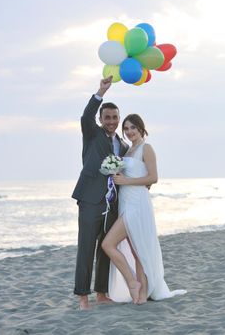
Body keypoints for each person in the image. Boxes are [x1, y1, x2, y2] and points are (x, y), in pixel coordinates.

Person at [101, 114, 186, 304]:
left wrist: (126, 180)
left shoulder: (146, 149)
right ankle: (141, 294)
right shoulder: (128, 151)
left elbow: (153, 178)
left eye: (133, 128)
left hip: (137, 204)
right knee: (135, 249)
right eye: (127, 129)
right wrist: (117, 173)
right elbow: (134, 175)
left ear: (141, 128)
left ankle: (135, 285)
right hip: (125, 202)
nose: (130, 132)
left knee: (108, 244)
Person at [71, 76, 129, 310]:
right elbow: (86, 116)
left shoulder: (123, 145)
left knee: (106, 248)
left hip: (112, 204)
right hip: (90, 200)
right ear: (101, 119)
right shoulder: (92, 134)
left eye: (115, 117)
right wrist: (100, 92)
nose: (112, 121)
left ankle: (101, 293)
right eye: (107, 117)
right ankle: (83, 297)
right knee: (86, 248)